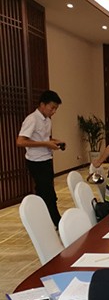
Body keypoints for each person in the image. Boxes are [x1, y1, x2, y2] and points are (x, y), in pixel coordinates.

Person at [16, 90, 65, 226]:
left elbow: (44, 138)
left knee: (44, 192)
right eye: (52, 108)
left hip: (46, 159)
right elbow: (20, 141)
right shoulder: (32, 119)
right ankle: (58, 222)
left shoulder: (47, 120)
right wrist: (46, 144)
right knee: (48, 194)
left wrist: (55, 141)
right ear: (42, 105)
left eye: (56, 109)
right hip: (36, 162)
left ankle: (39, 221)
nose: (54, 111)